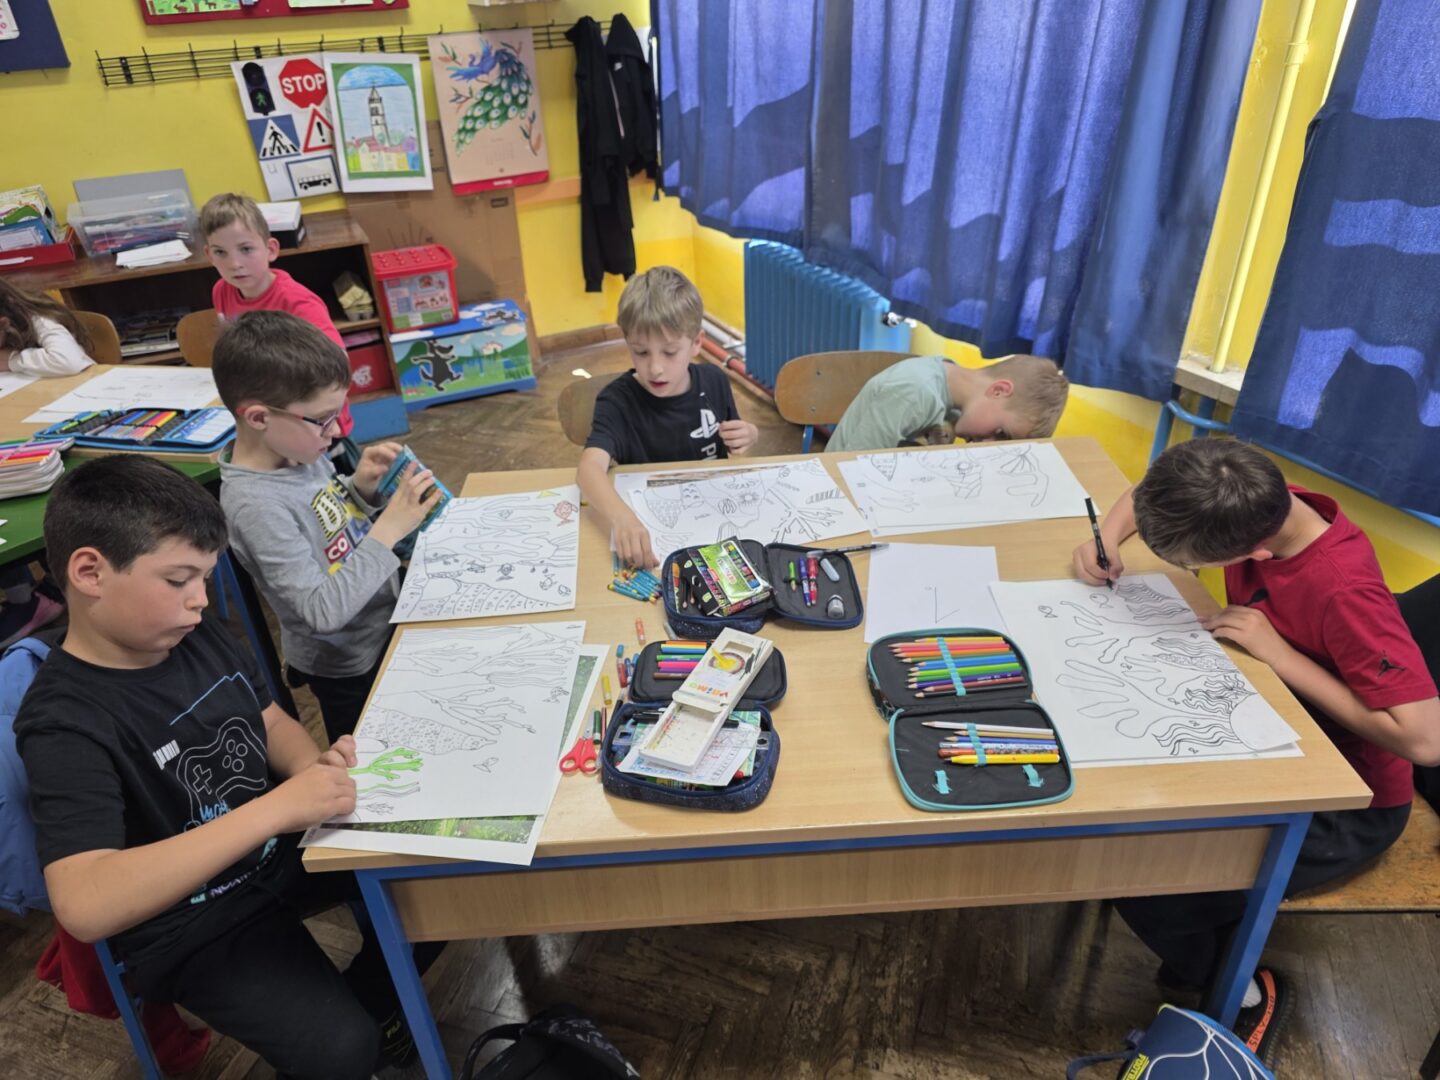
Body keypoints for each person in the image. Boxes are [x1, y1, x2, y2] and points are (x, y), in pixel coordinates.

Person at [14, 455, 432, 1078]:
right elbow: (85, 901)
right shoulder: (64, 723)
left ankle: (374, 1014)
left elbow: (268, 721)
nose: (200, 600)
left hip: (274, 854)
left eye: (206, 577)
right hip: (191, 918)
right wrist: (277, 809)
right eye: (179, 579)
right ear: (90, 572)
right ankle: (363, 1037)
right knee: (340, 1049)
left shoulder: (193, 632)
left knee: (433, 882)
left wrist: (310, 768)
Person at [1073, 438, 1440, 1064]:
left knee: (1144, 876)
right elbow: (1143, 492)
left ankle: (1243, 990)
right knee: (1128, 810)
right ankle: (1197, 946)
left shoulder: (1343, 589)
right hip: (1269, 728)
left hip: (1349, 802)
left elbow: (1425, 738)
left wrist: (1281, 656)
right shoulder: (1250, 491)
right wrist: (1107, 539)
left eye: (1193, 562)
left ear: (1258, 552)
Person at [214, 310, 440, 743]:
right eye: (322, 418)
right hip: (347, 666)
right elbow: (321, 612)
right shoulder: (255, 506)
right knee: (372, 753)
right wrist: (388, 531)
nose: (335, 431)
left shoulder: (299, 452)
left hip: (383, 624)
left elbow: (330, 522)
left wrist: (361, 488)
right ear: (258, 418)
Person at [577, 266, 759, 568]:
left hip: (713, 519)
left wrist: (749, 434)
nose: (655, 368)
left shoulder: (714, 381)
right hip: (653, 531)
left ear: (697, 342)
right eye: (641, 352)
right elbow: (588, 469)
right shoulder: (616, 401)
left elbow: (735, 442)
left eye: (670, 352)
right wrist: (621, 518)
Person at [199, 192, 356, 450]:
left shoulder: (298, 302)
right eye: (220, 252)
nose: (235, 263)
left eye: (246, 249)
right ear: (209, 255)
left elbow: (339, 367)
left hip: (316, 427)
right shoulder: (221, 291)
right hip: (265, 416)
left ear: (271, 249)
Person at [825, 353, 1069, 452]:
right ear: (998, 391)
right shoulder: (913, 392)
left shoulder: (955, 394)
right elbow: (850, 469)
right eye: (1001, 434)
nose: (989, 446)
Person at [0, 277, 96, 378]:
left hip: (81, 381)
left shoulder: (39, 319)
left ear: (3, 323)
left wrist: (11, 360)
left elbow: (68, 361)